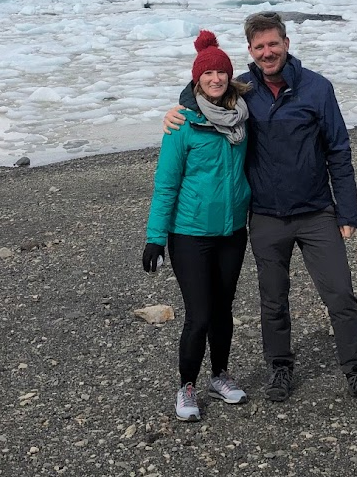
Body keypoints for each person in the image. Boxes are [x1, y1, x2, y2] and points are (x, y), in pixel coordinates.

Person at [164, 11, 357, 409]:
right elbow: (203, 95)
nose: (267, 52)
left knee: (340, 295)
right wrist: (172, 112)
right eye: (259, 46)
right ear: (250, 51)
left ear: (286, 43)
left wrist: (348, 212)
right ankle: (280, 367)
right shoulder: (244, 90)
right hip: (267, 215)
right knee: (273, 300)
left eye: (273, 44)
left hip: (317, 211)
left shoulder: (318, 89)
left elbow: (338, 150)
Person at [142, 30, 252, 422]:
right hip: (189, 234)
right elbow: (166, 183)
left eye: (222, 72)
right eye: (208, 74)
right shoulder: (182, 125)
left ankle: (219, 376)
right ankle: (186, 386)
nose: (216, 79)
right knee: (200, 314)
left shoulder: (243, 116)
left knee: (224, 311)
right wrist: (156, 237)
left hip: (232, 232)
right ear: (197, 80)